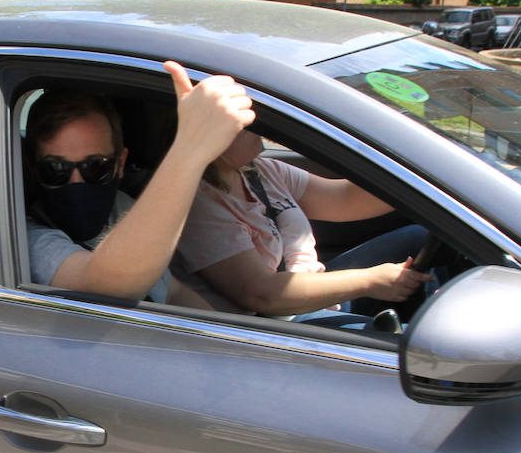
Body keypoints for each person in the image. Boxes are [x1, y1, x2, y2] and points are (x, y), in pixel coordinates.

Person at [25, 61, 253, 305]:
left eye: (96, 167)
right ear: (34, 169)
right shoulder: (29, 237)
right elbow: (105, 288)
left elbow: (172, 292)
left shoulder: (122, 207)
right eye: (55, 169)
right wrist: (191, 148)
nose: (76, 182)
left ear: (120, 164)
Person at [174, 128, 431, 319]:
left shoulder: (259, 171)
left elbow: (345, 199)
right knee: (407, 347)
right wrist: (370, 281)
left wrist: (427, 174)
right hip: (278, 322)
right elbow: (261, 294)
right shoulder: (198, 202)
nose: (256, 122)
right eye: (242, 120)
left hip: (309, 287)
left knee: (421, 236)